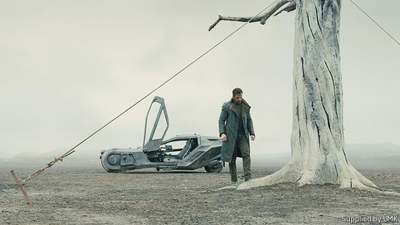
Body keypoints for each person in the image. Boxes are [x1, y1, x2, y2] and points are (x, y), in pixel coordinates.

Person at [218, 88, 255, 184]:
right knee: (232, 158)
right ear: (233, 97)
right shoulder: (227, 107)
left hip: (243, 135)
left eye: (241, 97)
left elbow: (249, 120)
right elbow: (221, 120)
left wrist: (252, 132)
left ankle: (248, 178)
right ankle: (234, 180)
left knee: (246, 154)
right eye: (238, 98)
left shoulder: (245, 106)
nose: (239, 99)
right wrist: (222, 133)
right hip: (230, 136)